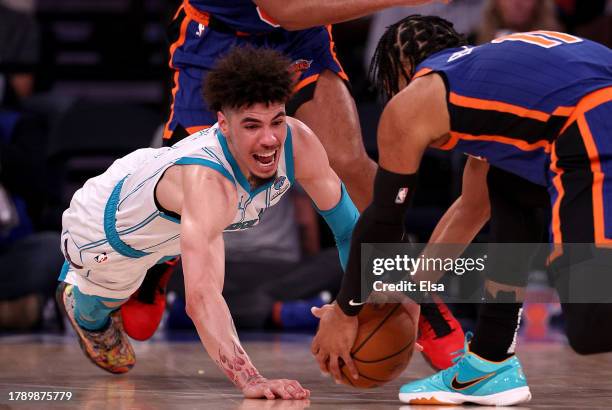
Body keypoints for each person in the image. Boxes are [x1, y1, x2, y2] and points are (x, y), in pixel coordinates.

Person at [123, 0, 466, 372]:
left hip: (298, 37)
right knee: (186, 191)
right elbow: (282, 8)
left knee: (349, 160)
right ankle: (156, 272)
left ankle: (424, 303)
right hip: (218, 37)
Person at [311, 15, 612, 405]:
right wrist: (413, 292)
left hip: (594, 124)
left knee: (593, 326)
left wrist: (346, 308)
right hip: (588, 115)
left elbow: (384, 219)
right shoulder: (494, 80)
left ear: (402, 70)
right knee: (511, 190)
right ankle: (490, 362)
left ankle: (491, 362)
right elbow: (471, 208)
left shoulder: (418, 97)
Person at [56, 46, 361, 399]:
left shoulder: (299, 142)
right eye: (252, 125)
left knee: (152, 307)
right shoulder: (209, 182)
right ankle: (81, 300)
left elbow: (350, 228)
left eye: (276, 120)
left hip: (166, 206)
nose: (269, 139)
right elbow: (201, 298)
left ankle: (163, 261)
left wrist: (362, 302)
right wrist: (252, 380)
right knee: (104, 311)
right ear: (224, 124)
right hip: (105, 235)